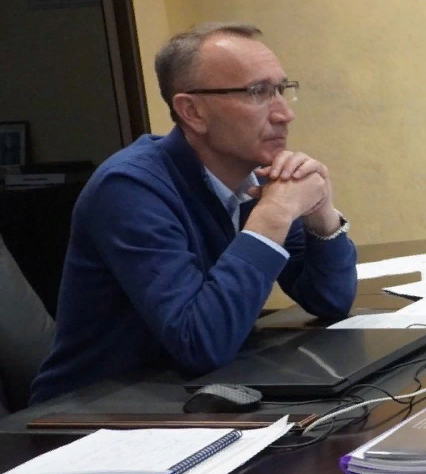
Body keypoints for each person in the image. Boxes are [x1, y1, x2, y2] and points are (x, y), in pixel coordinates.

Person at [30, 23, 356, 403]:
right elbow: (200, 342)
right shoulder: (128, 188)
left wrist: (321, 216)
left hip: (192, 393)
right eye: (258, 92)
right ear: (193, 111)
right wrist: (273, 216)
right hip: (91, 413)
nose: (285, 114)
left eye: (282, 89)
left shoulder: (255, 177)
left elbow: (330, 300)